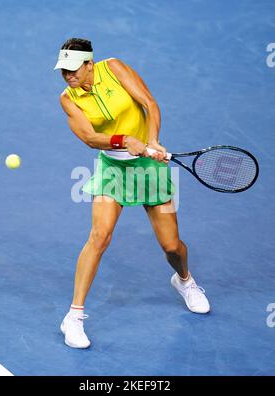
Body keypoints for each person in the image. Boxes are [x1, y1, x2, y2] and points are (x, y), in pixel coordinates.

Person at [54, 38, 210, 349]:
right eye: (63, 70)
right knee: (99, 236)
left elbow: (149, 103)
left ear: (89, 64)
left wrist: (152, 139)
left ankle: (184, 280)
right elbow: (89, 137)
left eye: (74, 69)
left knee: (171, 247)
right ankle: (73, 316)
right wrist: (124, 140)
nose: (68, 75)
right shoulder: (68, 99)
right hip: (112, 171)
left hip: (151, 171)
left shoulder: (114, 68)